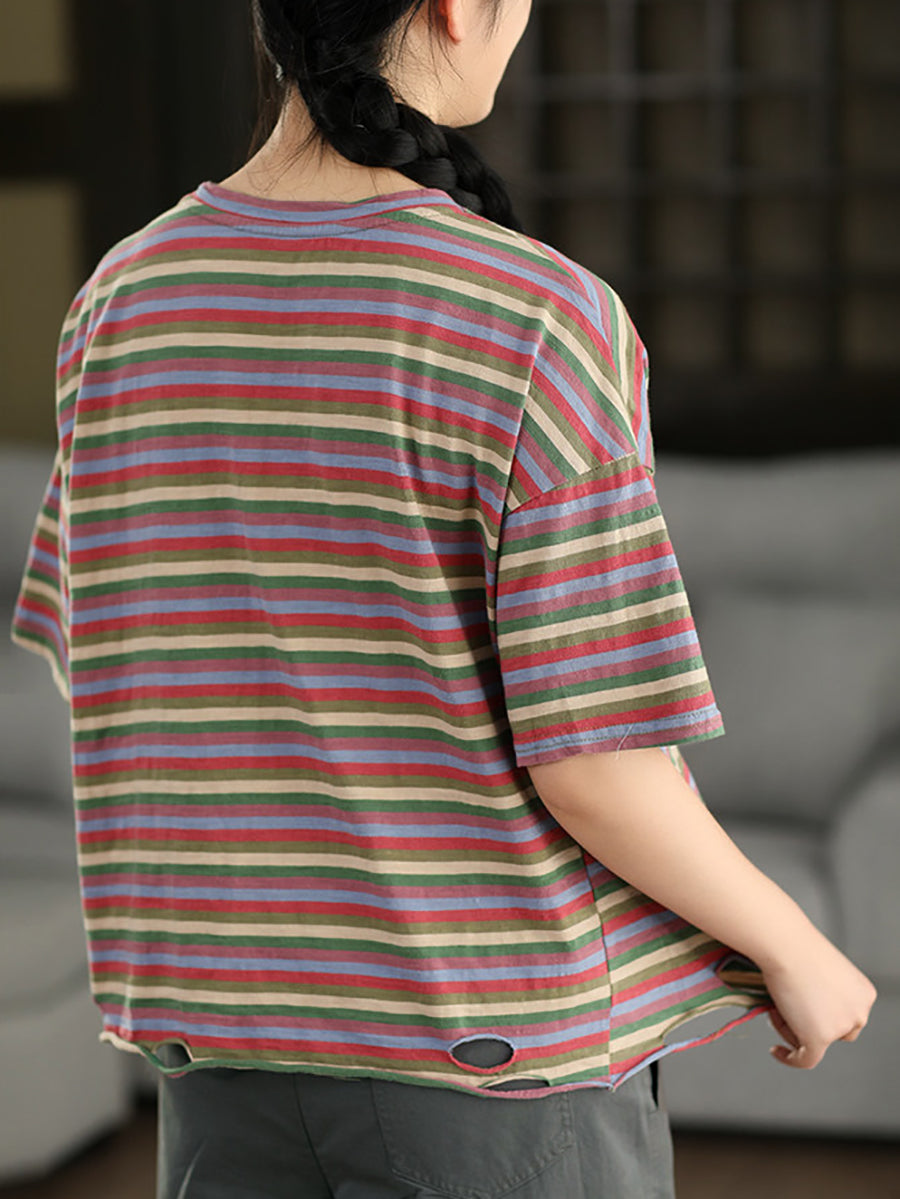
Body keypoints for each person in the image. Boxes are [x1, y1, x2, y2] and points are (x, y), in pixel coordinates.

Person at [10, 0, 876, 1195]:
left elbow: (101, 657)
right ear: (458, 8)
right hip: (492, 1066)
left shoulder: (122, 298)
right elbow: (597, 760)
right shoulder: (537, 316)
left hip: (216, 1049)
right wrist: (794, 942)